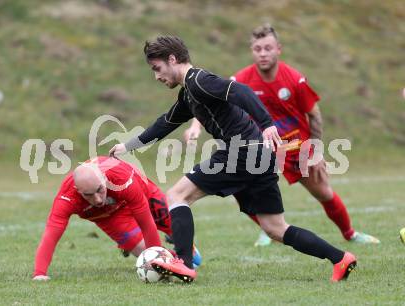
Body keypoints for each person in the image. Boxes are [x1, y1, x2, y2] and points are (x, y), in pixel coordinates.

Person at [109, 35, 357, 283]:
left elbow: (240, 90)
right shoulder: (189, 94)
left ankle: (183, 263)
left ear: (172, 59)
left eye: (157, 69)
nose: (157, 77)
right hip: (259, 155)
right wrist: (128, 146)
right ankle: (340, 258)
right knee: (275, 228)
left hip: (242, 151)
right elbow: (165, 123)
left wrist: (267, 124)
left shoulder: (199, 81)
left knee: (177, 196)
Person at [184, 25, 380, 247]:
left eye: (268, 48)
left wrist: (315, 151)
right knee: (239, 191)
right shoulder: (241, 79)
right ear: (252, 51)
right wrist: (195, 127)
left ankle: (350, 234)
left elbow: (314, 116)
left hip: (297, 146)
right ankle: (269, 229)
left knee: (324, 192)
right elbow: (213, 99)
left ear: (279, 49)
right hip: (261, 148)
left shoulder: (294, 79)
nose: (263, 53)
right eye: (257, 49)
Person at [32, 156, 200, 281]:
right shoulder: (67, 198)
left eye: (100, 190)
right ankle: (172, 259)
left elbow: (146, 222)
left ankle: (185, 250)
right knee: (143, 251)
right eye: (88, 195)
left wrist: (155, 259)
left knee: (185, 246)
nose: (97, 199)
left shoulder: (121, 179)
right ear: (78, 190)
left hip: (141, 194)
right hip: (111, 217)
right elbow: (51, 235)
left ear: (105, 180)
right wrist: (39, 274)